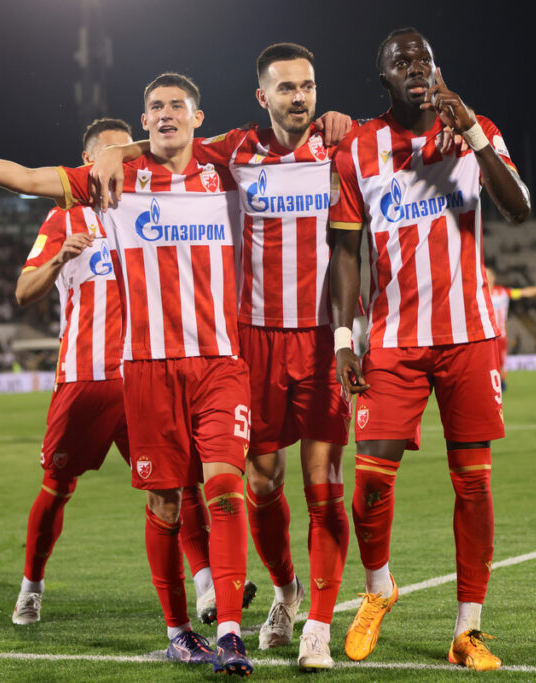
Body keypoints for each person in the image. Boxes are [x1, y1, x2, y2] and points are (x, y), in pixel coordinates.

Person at [0, 72, 256, 676]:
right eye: (154, 107)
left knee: (217, 488)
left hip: (215, 362)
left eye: (175, 107)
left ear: (197, 115)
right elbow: (27, 181)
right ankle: (161, 624)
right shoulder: (96, 195)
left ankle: (229, 622)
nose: (165, 115)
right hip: (131, 372)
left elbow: (287, 135)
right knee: (152, 500)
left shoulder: (224, 163)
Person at [92, 43, 356, 670]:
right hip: (250, 340)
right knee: (261, 482)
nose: (300, 96)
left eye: (308, 86)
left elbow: (396, 143)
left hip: (321, 338)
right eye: (286, 87)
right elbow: (168, 139)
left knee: (325, 482)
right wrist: (113, 148)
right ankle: (287, 592)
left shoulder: (342, 145)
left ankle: (319, 624)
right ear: (262, 96)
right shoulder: (234, 150)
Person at [327, 28, 530, 671]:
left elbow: (518, 207)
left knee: (473, 486)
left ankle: (468, 628)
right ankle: (379, 589)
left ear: (438, 71)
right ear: (383, 77)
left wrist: (471, 131)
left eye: (425, 59)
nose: (415, 68)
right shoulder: (359, 146)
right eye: (400, 62)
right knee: (369, 482)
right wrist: (343, 337)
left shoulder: (476, 131)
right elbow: (344, 251)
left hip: (469, 335)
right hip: (392, 337)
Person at [10, 117, 239, 629]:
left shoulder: (154, 204)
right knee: (57, 485)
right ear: (88, 165)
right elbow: (23, 293)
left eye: (127, 154)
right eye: (109, 156)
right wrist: (56, 262)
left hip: (146, 373)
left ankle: (206, 586)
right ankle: (31, 587)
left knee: (180, 484)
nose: (122, 163)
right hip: (85, 380)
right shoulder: (62, 220)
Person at [485, 266, 536, 387]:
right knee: (486, 367)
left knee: (501, 368)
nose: (485, 276)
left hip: (500, 336)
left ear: (494, 277)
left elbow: (525, 292)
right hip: (484, 337)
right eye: (483, 274)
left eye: (488, 273)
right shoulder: (478, 295)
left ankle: (501, 386)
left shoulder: (502, 292)